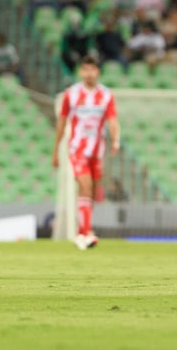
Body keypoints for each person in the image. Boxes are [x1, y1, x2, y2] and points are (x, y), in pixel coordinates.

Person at [51, 55, 120, 250]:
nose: (89, 74)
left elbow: (113, 120)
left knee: (92, 191)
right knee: (85, 184)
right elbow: (62, 122)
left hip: (97, 150)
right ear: (81, 72)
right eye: (85, 70)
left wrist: (115, 139)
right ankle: (87, 232)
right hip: (77, 148)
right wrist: (56, 150)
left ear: (98, 72)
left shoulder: (106, 95)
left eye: (93, 70)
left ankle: (82, 231)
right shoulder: (71, 94)